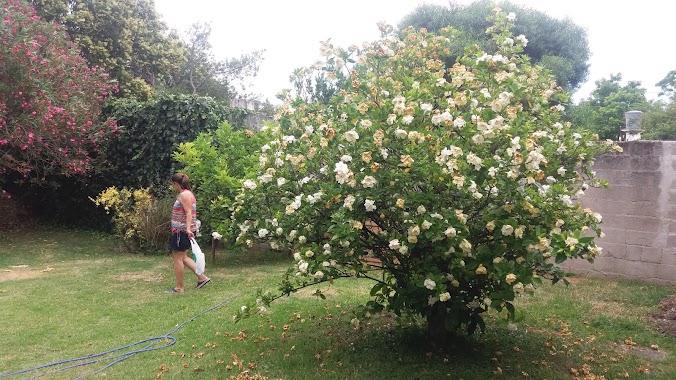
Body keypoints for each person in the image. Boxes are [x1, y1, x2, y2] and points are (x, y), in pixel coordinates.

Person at [167, 173, 210, 293]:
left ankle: (179, 287)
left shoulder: (184, 195)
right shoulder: (188, 194)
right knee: (184, 257)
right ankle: (202, 278)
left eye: (173, 184)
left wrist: (188, 229)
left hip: (181, 231)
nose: (173, 186)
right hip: (182, 230)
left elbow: (189, 212)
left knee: (178, 259)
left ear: (176, 183)